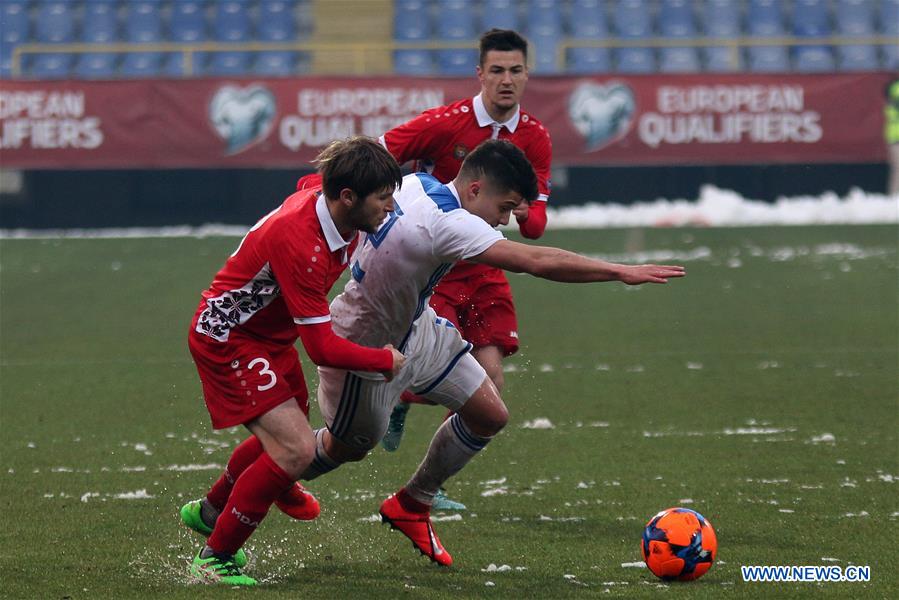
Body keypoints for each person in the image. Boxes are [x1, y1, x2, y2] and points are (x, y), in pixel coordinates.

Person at [303, 139, 685, 567]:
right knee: (343, 449)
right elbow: (536, 260)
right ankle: (262, 477)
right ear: (474, 189)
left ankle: (412, 504)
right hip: (363, 345)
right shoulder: (450, 223)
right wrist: (618, 271)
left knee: (490, 414)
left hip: (416, 330)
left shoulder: (415, 183)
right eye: (503, 208)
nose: (503, 221)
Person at [181, 136, 406, 586]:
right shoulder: (302, 243)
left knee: (288, 440)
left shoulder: (333, 204)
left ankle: (209, 512)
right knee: (294, 449)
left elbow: (313, 180)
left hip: (269, 337)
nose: (389, 207)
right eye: (382, 198)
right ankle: (214, 558)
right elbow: (322, 348)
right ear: (347, 197)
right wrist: (384, 360)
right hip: (230, 339)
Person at [380, 28, 551, 509]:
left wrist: (525, 214)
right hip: (438, 267)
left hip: (486, 262)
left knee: (490, 382)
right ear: (480, 74)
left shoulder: (534, 137)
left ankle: (428, 486)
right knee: (446, 373)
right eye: (496, 70)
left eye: (515, 70)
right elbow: (380, 150)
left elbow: (536, 227)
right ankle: (401, 397)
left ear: (526, 74)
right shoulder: (447, 123)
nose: (506, 80)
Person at [885, 78, 899, 196]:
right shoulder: (894, 87)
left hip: (894, 135)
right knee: (897, 168)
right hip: (895, 136)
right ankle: (893, 197)